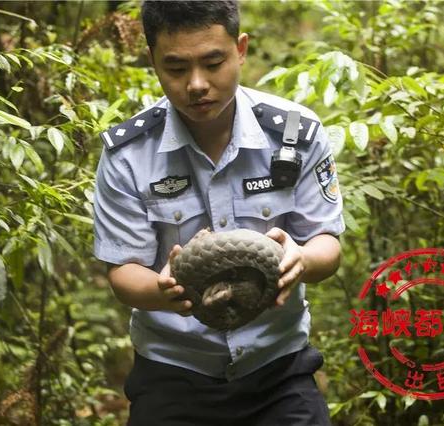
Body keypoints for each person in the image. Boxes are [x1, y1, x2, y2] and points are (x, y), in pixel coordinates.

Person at [93, 1, 344, 425]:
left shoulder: (295, 134)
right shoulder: (129, 154)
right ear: (152, 59)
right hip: (173, 376)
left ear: (240, 48)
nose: (196, 85)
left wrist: (301, 258)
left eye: (213, 62)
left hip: (279, 373)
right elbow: (123, 271)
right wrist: (165, 291)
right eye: (175, 68)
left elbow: (327, 243)